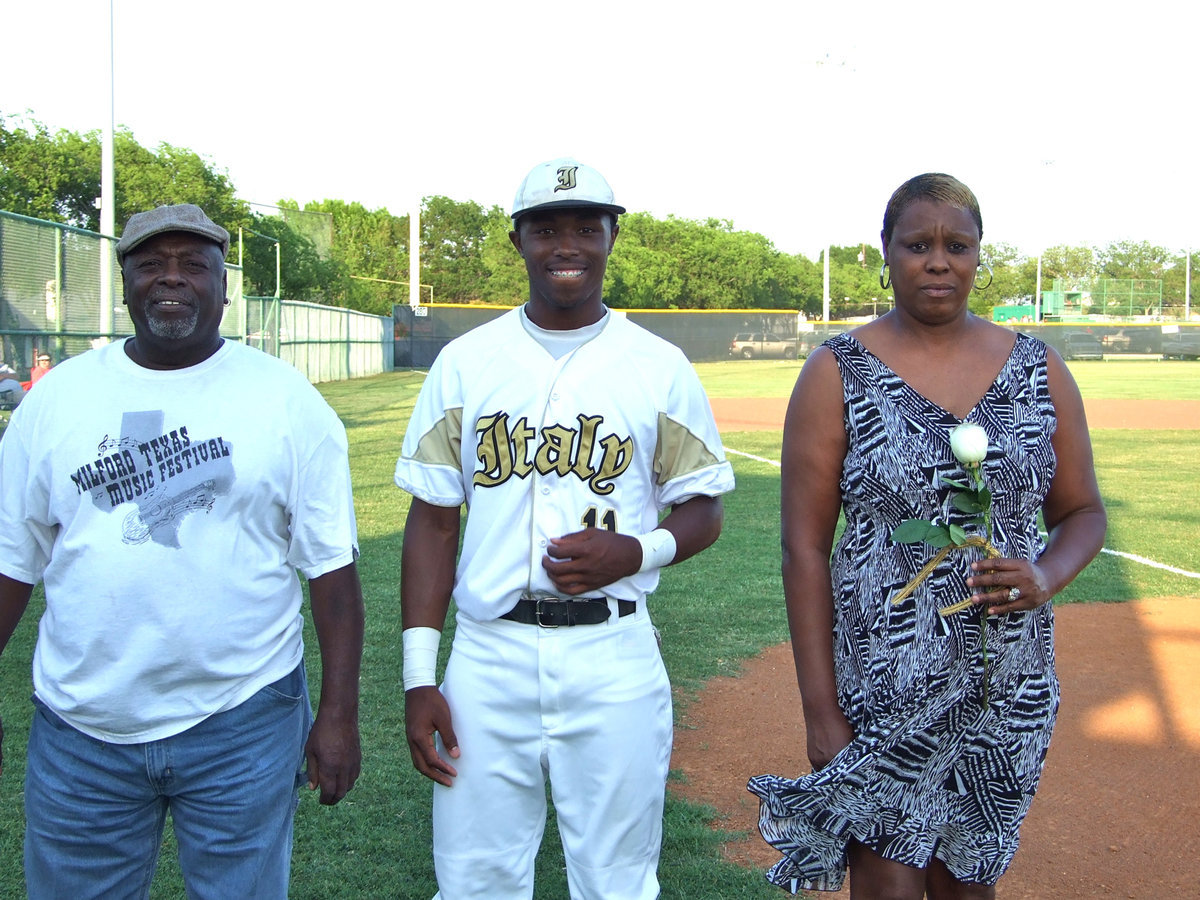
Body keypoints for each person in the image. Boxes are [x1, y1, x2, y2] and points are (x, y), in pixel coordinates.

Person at [748, 174, 1106, 898]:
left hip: (1006, 682)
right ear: (885, 252)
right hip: (884, 681)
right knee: (889, 886)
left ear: (979, 255)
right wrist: (821, 714)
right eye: (917, 245)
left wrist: (1046, 574)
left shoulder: (1038, 369)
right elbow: (803, 550)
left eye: (957, 245)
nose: (938, 261)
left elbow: (1084, 512)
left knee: (969, 883)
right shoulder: (836, 373)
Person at [0, 203, 364, 900]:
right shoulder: (57, 401)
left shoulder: (288, 402)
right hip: (83, 726)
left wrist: (339, 714)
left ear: (224, 286)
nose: (172, 279)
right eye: (151, 264)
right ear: (127, 281)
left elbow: (334, 577)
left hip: (243, 718)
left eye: (193, 265)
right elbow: (11, 560)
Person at [395, 157, 735, 900]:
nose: (566, 245)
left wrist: (635, 551)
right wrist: (421, 677)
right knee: (475, 882)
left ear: (614, 235)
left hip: (612, 655)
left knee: (616, 883)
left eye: (587, 227)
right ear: (517, 240)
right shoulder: (464, 363)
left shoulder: (658, 365)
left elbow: (705, 505)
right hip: (487, 657)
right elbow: (431, 521)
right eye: (545, 229)